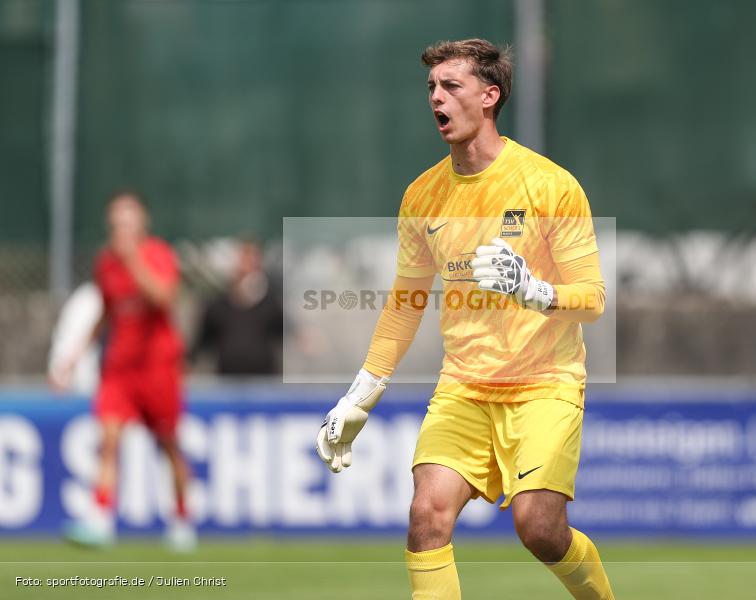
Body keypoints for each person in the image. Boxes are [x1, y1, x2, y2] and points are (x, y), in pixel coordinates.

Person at [316, 40, 613, 599]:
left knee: (539, 528)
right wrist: (361, 393)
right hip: (463, 388)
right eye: (431, 87)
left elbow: (592, 299)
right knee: (426, 515)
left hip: (544, 385)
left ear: (489, 96)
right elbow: (405, 303)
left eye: (451, 86)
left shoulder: (550, 185)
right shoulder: (422, 196)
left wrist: (534, 290)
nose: (437, 97)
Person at [55, 192, 195, 552]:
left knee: (169, 447)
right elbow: (105, 313)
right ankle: (101, 520)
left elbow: (163, 298)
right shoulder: (106, 264)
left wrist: (133, 260)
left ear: (142, 224)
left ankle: (181, 518)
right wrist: (72, 358)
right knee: (109, 440)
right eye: (116, 222)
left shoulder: (158, 255)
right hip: (120, 368)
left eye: (128, 221)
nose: (121, 229)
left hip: (158, 367)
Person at [192, 238, 283, 375]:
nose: (248, 267)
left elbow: (285, 332)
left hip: (264, 384)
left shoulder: (270, 303)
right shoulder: (218, 305)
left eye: (253, 261)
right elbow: (201, 343)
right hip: (228, 384)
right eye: (244, 259)